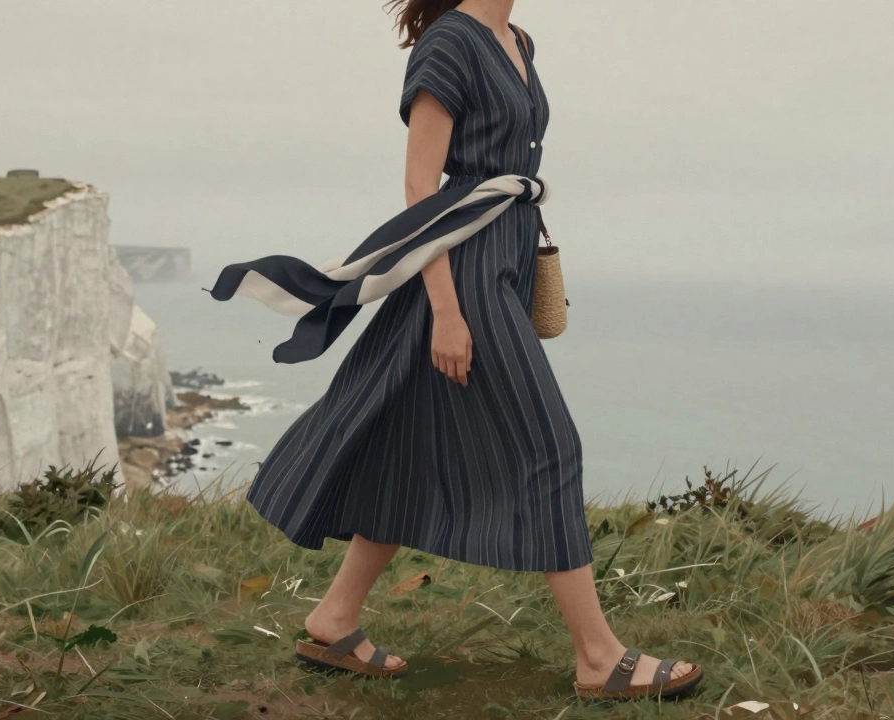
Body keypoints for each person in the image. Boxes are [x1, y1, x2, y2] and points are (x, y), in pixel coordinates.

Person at [208, 0, 703, 702]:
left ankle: (335, 616)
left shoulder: (519, 40)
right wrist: (446, 308)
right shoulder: (448, 46)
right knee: (550, 446)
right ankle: (599, 657)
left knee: (402, 440)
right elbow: (420, 188)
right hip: (461, 276)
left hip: (502, 260)